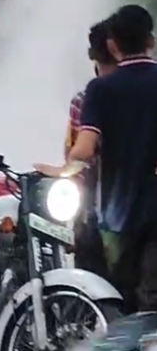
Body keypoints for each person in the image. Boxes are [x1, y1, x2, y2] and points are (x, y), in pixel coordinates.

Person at [37, 5, 157, 312]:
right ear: (151, 40)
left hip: (119, 215)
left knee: (119, 299)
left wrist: (63, 170)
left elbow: (84, 149)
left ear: (113, 45)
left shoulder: (100, 89)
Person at [63, 21, 119, 277]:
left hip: (95, 211)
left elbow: (75, 160)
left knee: (91, 283)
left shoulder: (84, 98)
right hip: (142, 211)